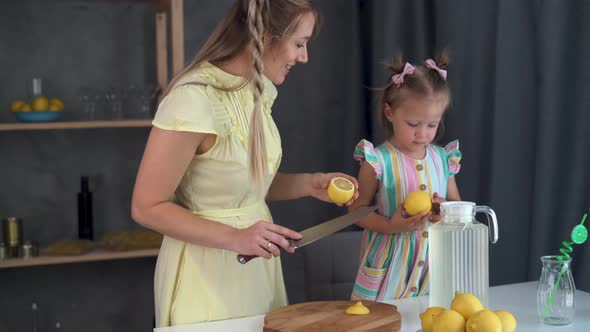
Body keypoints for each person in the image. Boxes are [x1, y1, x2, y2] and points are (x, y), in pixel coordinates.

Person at [131, 0, 358, 327]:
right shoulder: (192, 99)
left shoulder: (255, 91)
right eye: (299, 44)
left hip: (255, 267)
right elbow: (146, 207)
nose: (304, 57)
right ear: (266, 38)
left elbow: (244, 184)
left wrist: (311, 183)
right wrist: (235, 237)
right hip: (207, 277)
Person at [347, 54, 462, 301]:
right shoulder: (377, 161)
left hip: (431, 267)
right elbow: (356, 211)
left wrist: (444, 211)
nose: (422, 133)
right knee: (379, 324)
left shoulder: (443, 159)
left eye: (432, 125)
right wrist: (390, 226)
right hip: (388, 268)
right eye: (413, 124)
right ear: (390, 113)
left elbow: (456, 204)